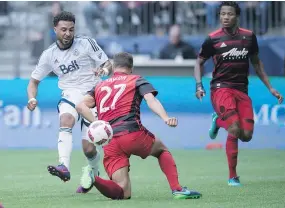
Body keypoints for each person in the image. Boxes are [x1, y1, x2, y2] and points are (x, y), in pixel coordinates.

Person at [76, 52, 202, 199]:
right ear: (131, 68)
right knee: (161, 150)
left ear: (114, 67)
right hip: (132, 134)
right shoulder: (136, 80)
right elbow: (151, 100)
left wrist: (98, 123)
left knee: (123, 192)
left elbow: (80, 106)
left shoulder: (99, 86)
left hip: (110, 141)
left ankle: (94, 178)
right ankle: (177, 189)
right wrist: (165, 117)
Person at [194, 1, 284, 186]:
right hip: (220, 88)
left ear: (237, 16)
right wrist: (198, 85)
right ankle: (232, 176)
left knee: (246, 135)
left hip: (241, 89)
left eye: (229, 14)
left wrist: (270, 87)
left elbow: (257, 63)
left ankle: (218, 120)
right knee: (234, 127)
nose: (225, 17)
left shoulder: (249, 37)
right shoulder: (213, 39)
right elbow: (198, 63)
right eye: (222, 14)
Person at [26, 11, 112, 192]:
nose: (67, 33)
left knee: (88, 149)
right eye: (63, 29)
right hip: (70, 94)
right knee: (65, 120)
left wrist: (103, 72)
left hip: (92, 94)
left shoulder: (86, 43)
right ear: (55, 29)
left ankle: (93, 175)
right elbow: (33, 82)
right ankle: (63, 167)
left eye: (71, 30)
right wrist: (32, 98)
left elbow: (107, 63)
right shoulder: (49, 55)